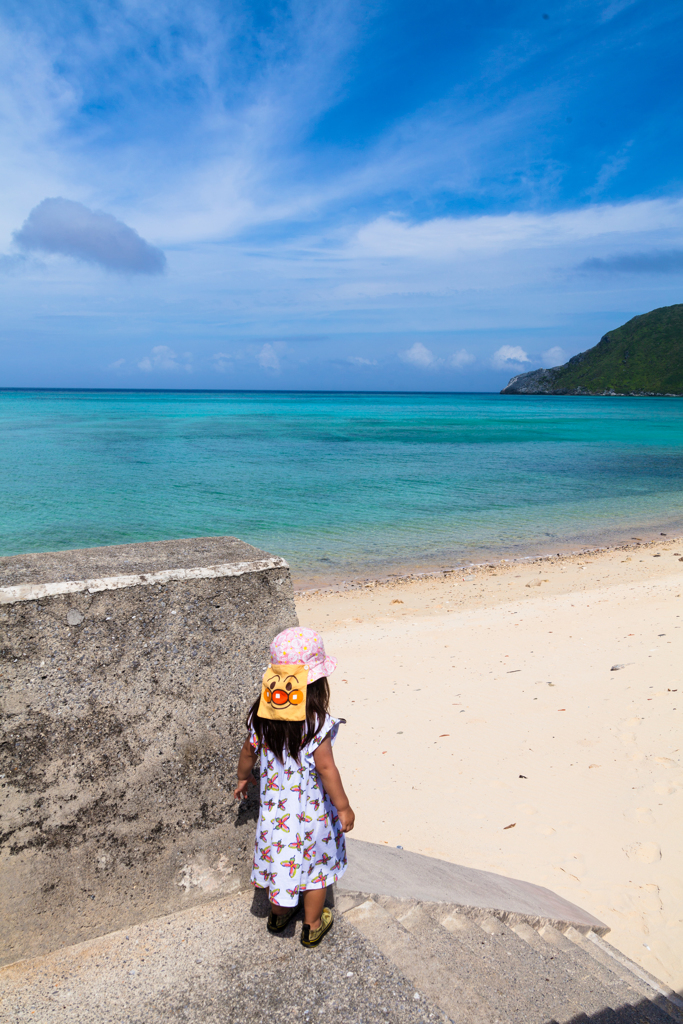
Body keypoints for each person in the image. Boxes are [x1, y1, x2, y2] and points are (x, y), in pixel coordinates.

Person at [234, 627, 355, 948]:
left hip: (275, 818)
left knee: (281, 862)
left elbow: (248, 752)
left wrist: (243, 778)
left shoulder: (261, 719)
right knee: (316, 873)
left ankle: (278, 914)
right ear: (317, 684)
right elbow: (327, 769)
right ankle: (313, 924)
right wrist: (343, 806)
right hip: (312, 817)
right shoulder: (316, 724)